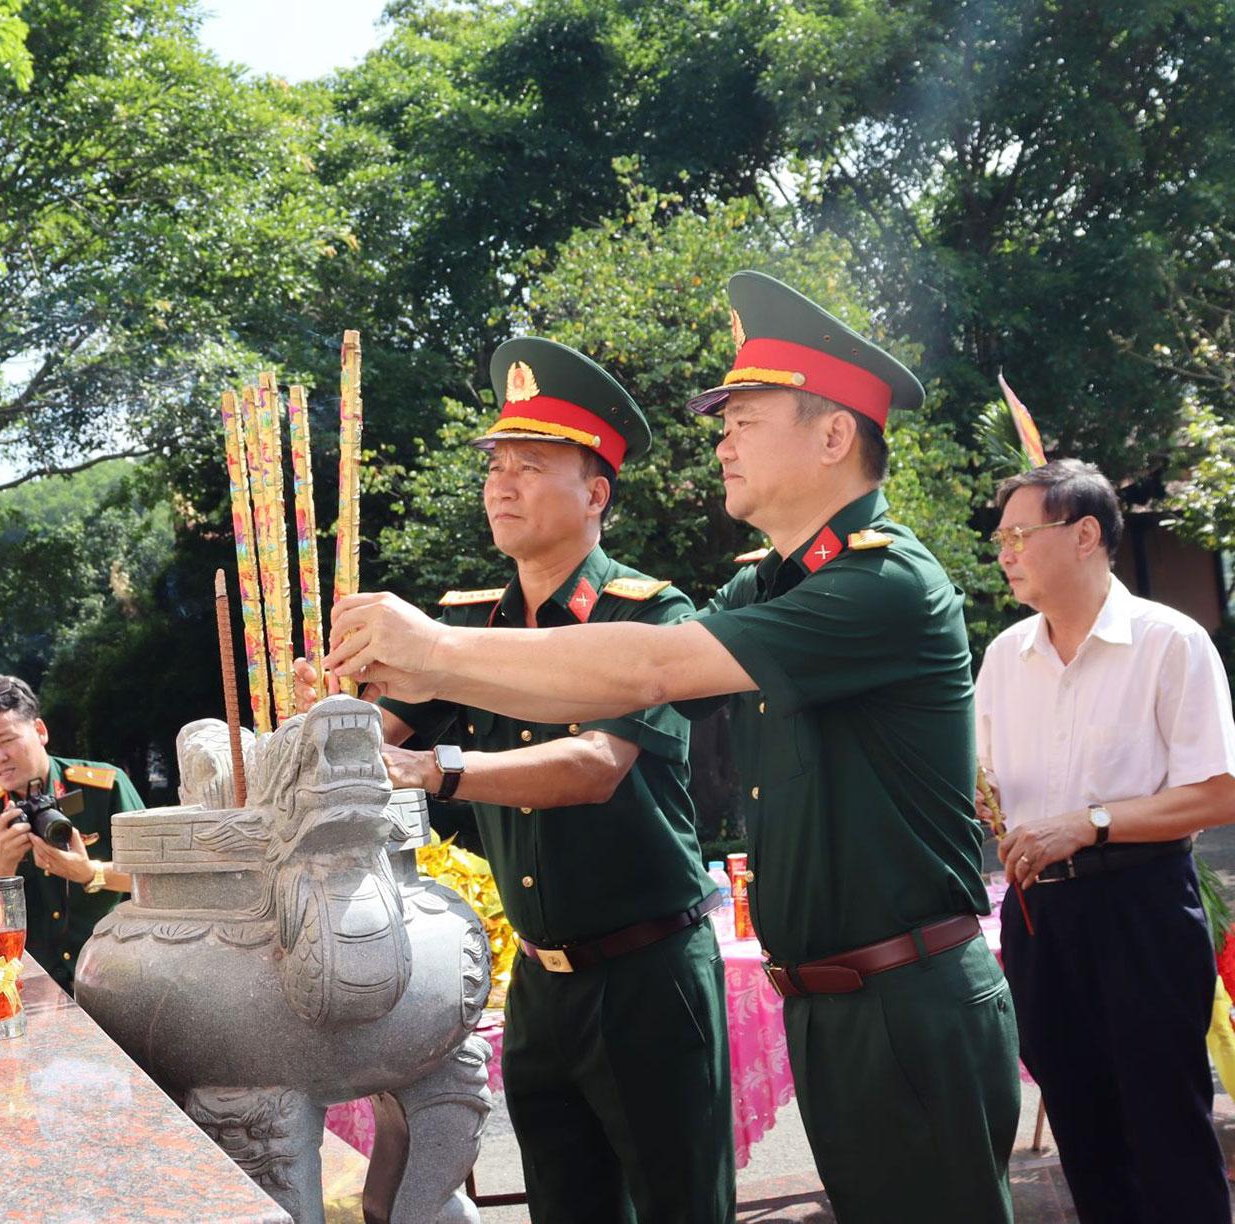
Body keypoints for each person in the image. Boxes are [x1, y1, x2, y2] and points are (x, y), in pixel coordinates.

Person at [324, 272, 1020, 1222]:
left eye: (745, 416)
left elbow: (647, 672)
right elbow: (594, 671)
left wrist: (437, 654)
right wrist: (400, 674)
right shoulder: (770, 586)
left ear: (832, 435)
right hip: (837, 1003)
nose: (720, 438)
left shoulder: (885, 584)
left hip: (909, 996)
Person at [305, 336, 732, 1222]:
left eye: (531, 467)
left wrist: (435, 770)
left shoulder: (648, 617)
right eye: (496, 465)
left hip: (649, 974)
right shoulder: (466, 626)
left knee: (680, 1207)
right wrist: (327, 713)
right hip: (543, 983)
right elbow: (372, 739)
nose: (501, 483)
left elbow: (594, 768)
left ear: (596, 494)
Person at [981, 459, 1235, 1223]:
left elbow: (1218, 791)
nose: (1005, 552)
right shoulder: (1003, 656)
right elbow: (988, 785)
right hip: (1039, 922)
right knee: (1083, 1136)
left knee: (1166, 1131)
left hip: (1141, 907)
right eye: (1000, 538)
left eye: (1020, 534)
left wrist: (1088, 821)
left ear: (1086, 535)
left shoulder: (1170, 641)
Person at [0, 674, 145, 993]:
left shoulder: (105, 787)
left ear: (40, 731)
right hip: (26, 982)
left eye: (7, 739)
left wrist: (90, 873)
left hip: (115, 973)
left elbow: (155, 879)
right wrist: (1, 868)